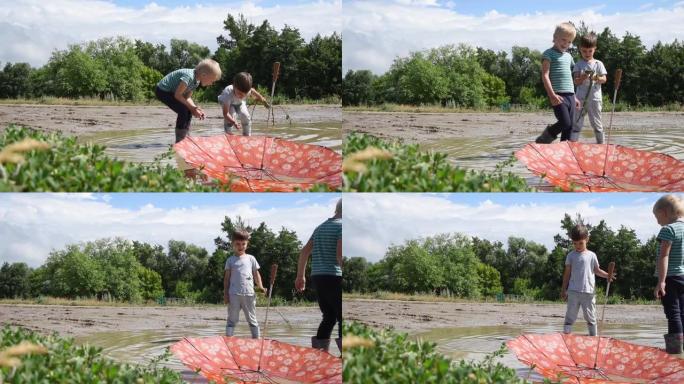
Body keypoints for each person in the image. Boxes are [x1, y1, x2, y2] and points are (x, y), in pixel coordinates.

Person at [295, 199, 342, 353]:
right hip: (334, 277)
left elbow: (304, 252)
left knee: (329, 316)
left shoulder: (320, 227)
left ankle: (320, 358)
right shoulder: (342, 226)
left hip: (318, 277)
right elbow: (340, 255)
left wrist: (300, 276)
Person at [561, 224, 614, 336]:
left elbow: (597, 270)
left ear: (587, 239)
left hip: (588, 292)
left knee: (591, 317)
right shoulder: (570, 255)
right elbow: (567, 274)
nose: (578, 246)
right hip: (573, 291)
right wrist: (563, 289)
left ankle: (593, 338)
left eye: (581, 243)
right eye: (575, 243)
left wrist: (607, 275)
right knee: (570, 316)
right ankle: (566, 336)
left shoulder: (592, 255)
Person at [156, 59, 222, 143]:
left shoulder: (196, 81)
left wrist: (194, 108)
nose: (212, 83)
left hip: (172, 92)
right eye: (212, 81)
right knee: (183, 110)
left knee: (189, 110)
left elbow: (187, 97)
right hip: (162, 91)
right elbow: (178, 95)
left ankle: (186, 134)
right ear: (204, 75)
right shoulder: (189, 77)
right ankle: (180, 139)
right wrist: (192, 108)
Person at [536, 22, 581, 144]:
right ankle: (544, 139)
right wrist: (552, 95)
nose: (566, 44)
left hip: (570, 96)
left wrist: (575, 97)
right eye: (563, 40)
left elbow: (568, 77)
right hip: (558, 95)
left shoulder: (569, 57)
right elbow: (545, 75)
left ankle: (564, 150)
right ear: (554, 38)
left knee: (570, 126)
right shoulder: (548, 54)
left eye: (569, 42)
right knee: (564, 122)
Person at [653, 194, 684, 354]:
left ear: (664, 212)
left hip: (671, 277)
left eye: (657, 217)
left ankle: (675, 351)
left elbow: (664, 255)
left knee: (673, 314)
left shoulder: (668, 229)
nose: (658, 222)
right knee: (682, 312)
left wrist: (661, 281)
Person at [224, 230, 267, 339]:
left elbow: (256, 275)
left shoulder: (251, 258)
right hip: (233, 294)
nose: (241, 246)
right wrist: (226, 294)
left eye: (243, 244)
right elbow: (227, 279)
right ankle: (228, 339)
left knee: (252, 318)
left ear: (247, 244)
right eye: (238, 244)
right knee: (232, 318)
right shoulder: (230, 260)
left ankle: (256, 339)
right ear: (232, 244)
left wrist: (261, 287)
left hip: (249, 294)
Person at [571, 33, 607, 143]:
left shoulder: (598, 64)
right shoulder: (578, 64)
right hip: (580, 99)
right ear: (580, 50)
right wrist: (583, 77)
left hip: (595, 99)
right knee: (576, 123)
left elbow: (604, 79)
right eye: (584, 51)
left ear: (594, 49)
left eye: (590, 51)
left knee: (597, 123)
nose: (587, 53)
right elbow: (576, 82)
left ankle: (601, 145)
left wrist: (596, 77)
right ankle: (573, 145)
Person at [218, 72, 269, 136]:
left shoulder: (246, 90)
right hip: (228, 103)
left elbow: (253, 91)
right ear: (234, 86)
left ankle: (247, 135)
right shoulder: (228, 93)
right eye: (239, 93)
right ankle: (228, 134)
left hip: (239, 103)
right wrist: (234, 122)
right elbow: (226, 113)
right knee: (232, 115)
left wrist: (262, 100)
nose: (242, 96)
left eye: (245, 94)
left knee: (245, 116)